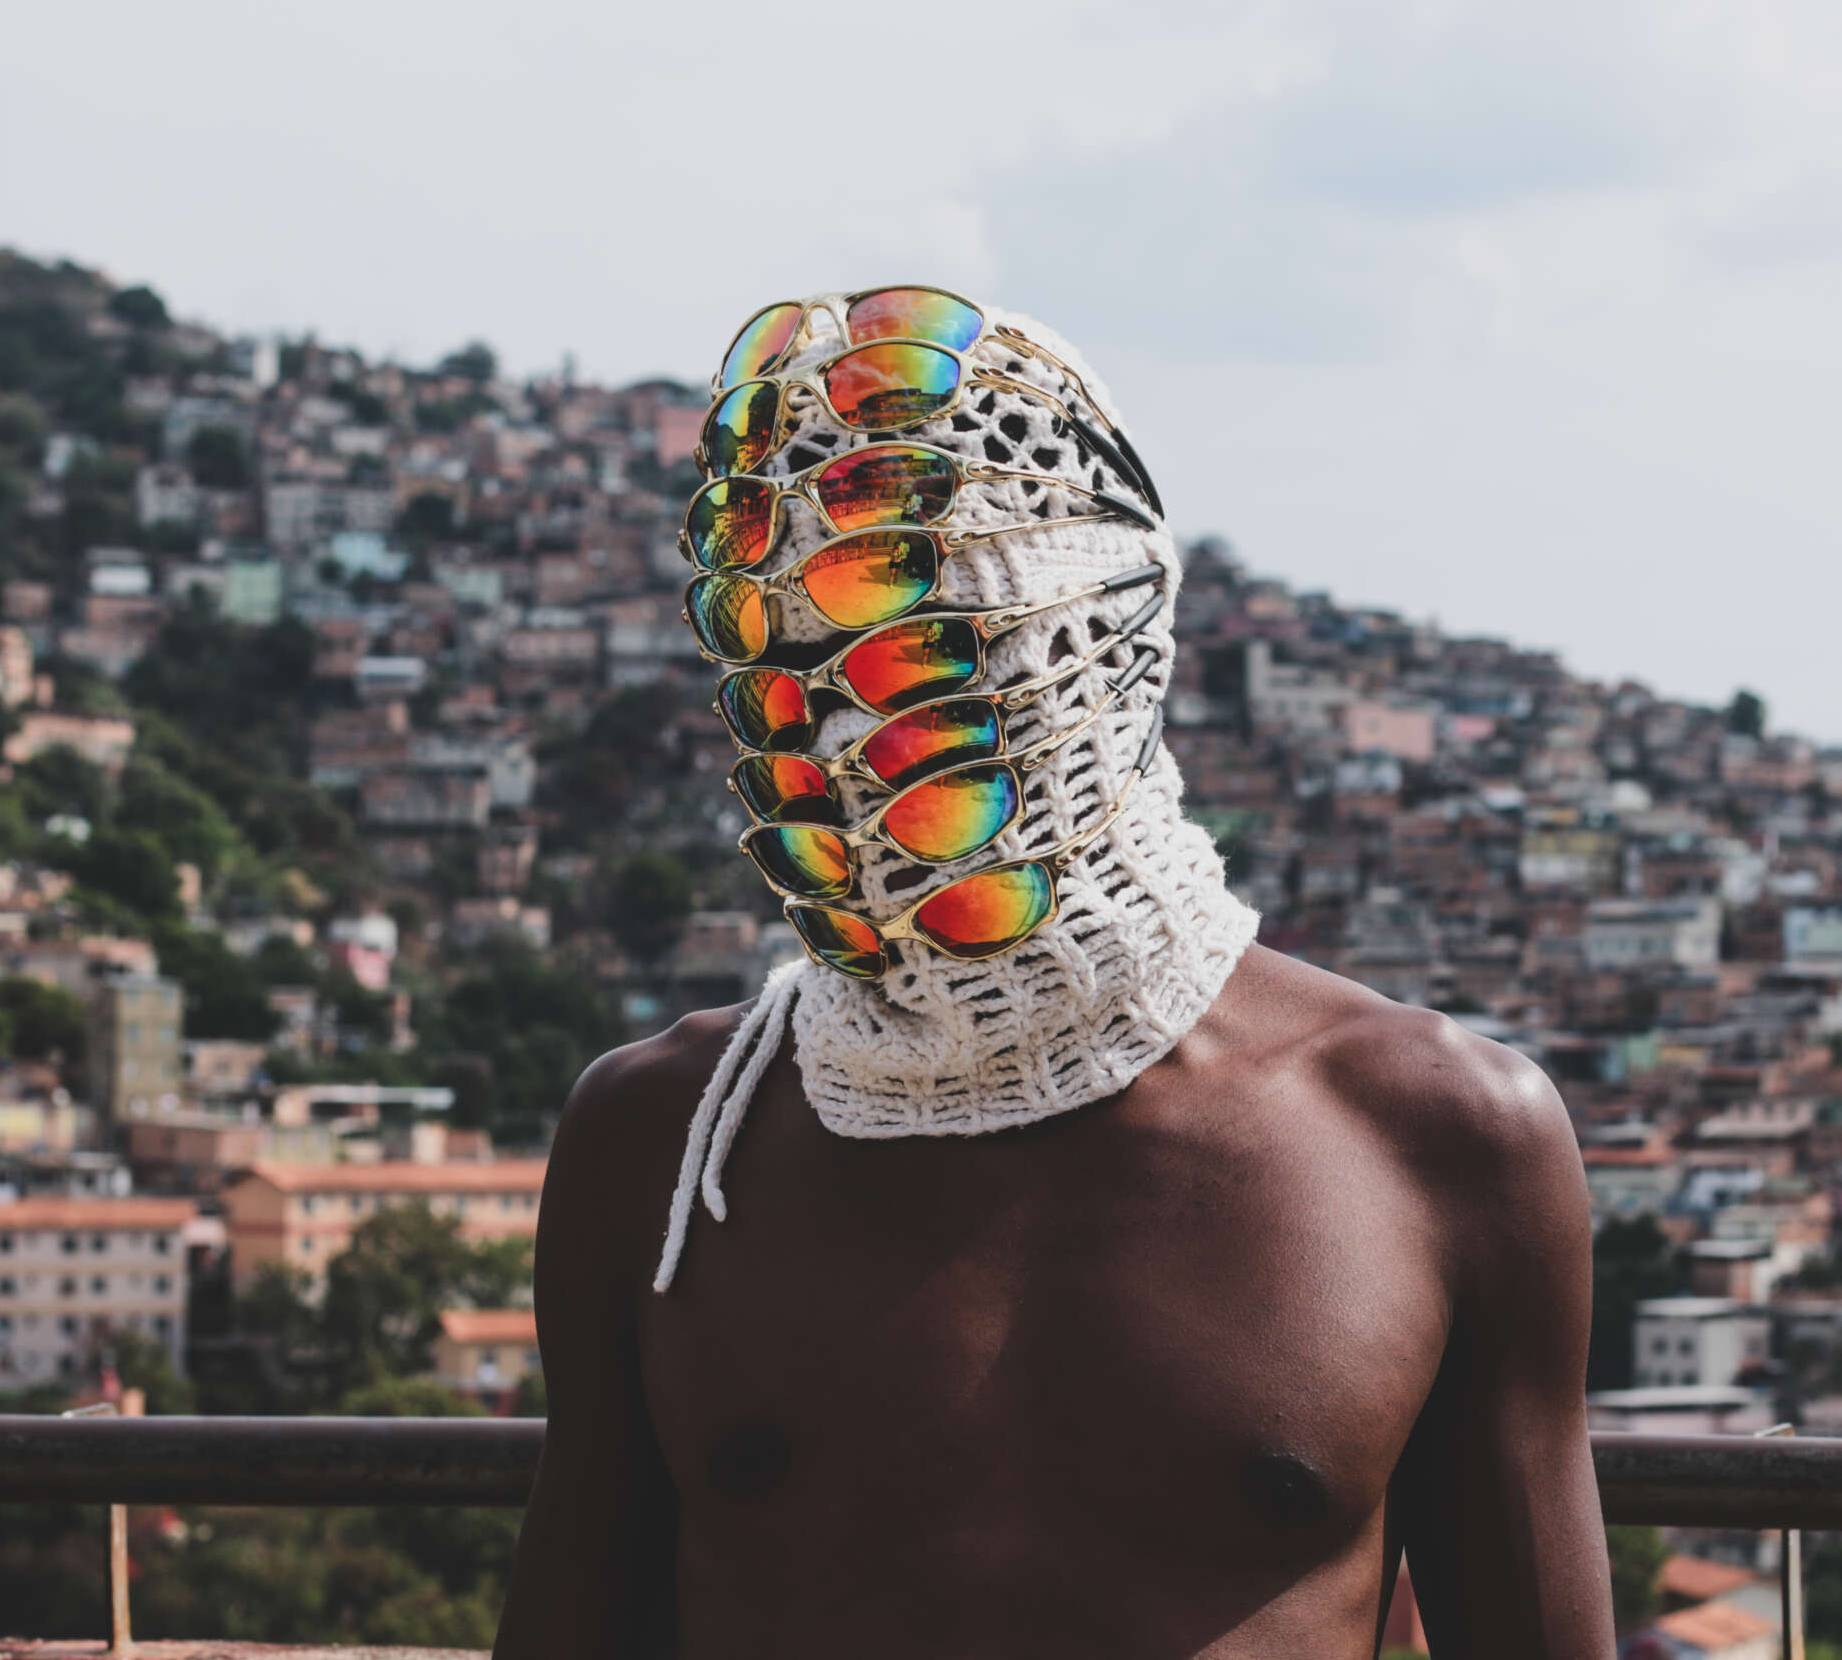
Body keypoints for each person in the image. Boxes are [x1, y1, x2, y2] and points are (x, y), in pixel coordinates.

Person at [493, 291, 1610, 1659]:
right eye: (791, 670)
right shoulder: (665, 1146)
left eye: (921, 651)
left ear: (1096, 643)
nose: (849, 734)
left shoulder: (1438, 1134)